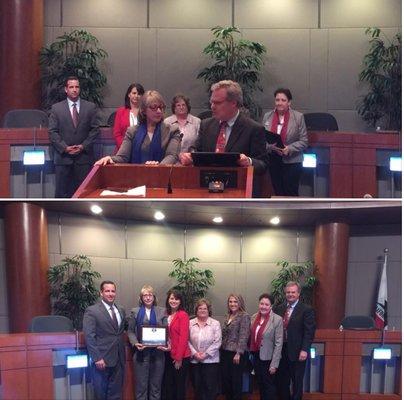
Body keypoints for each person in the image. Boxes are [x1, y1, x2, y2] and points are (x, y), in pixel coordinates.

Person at [179, 80, 268, 176]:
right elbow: (196, 150)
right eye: (212, 102)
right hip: (207, 184)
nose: (212, 107)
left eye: (217, 103)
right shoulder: (206, 125)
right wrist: (189, 156)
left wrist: (249, 161)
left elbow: (263, 165)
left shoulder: (253, 129)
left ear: (233, 103)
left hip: (238, 185)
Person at [95, 90, 181, 166]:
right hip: (136, 179)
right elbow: (123, 157)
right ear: (143, 110)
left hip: (162, 178)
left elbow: (172, 156)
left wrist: (156, 168)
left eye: (161, 107)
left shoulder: (172, 131)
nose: (159, 111)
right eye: (154, 107)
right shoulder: (132, 131)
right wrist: (110, 158)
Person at [48, 76, 100, 197]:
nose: (74, 89)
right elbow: (52, 131)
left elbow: (95, 130)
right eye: (71, 87)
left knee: (84, 194)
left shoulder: (90, 107)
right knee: (61, 194)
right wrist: (65, 148)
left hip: (84, 158)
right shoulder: (56, 108)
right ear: (66, 89)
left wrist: (83, 146)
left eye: (77, 87)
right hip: (63, 158)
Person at [83, 281, 126, 400]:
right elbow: (89, 336)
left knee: (116, 394)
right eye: (107, 291)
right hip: (102, 360)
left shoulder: (121, 310)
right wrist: (97, 358)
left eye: (113, 291)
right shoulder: (92, 311)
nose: (110, 294)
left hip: (118, 358)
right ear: (101, 293)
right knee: (100, 394)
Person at [273, 281, 316, 400]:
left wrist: (304, 350)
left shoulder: (306, 309)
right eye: (288, 292)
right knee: (282, 380)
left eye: (293, 292)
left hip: (297, 351)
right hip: (281, 351)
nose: (290, 294)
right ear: (285, 293)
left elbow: (309, 332)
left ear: (298, 293)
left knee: (297, 381)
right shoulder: (278, 308)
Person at [262, 88, 308, 196]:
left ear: (289, 102)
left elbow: (304, 141)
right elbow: (261, 139)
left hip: (292, 162)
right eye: (277, 100)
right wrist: (270, 147)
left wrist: (290, 148)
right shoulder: (267, 116)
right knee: (278, 192)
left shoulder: (298, 117)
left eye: (283, 100)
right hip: (274, 160)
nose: (279, 103)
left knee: (290, 192)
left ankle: (295, 213)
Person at [127, 285, 168, 400]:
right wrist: (135, 343)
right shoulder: (135, 311)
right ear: (141, 298)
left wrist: (166, 344)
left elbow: (166, 332)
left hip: (158, 355)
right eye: (145, 295)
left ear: (154, 297)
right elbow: (130, 331)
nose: (148, 297)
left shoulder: (162, 311)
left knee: (156, 388)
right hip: (141, 354)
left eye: (150, 295)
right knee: (141, 388)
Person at [249, 293, 283, 400]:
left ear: (271, 306)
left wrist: (274, 364)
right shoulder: (254, 317)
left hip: (269, 359)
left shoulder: (277, 320)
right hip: (256, 357)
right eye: (261, 303)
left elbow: (279, 343)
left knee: (269, 387)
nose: (263, 306)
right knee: (261, 385)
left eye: (266, 304)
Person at [189, 299, 222, 400]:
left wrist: (205, 354)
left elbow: (218, 341)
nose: (202, 310)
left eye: (205, 308)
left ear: (209, 310)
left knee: (210, 388)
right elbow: (186, 341)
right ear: (196, 310)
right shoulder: (189, 323)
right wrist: (195, 354)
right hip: (194, 361)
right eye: (200, 308)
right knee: (197, 387)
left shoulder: (215, 323)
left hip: (211, 361)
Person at [220, 293, 251, 400]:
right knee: (226, 380)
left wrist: (238, 353)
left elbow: (244, 335)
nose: (232, 304)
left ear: (240, 303)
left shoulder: (244, 316)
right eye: (230, 301)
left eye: (235, 301)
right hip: (225, 352)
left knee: (236, 381)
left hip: (237, 354)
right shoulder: (227, 315)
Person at [162, 289, 191, 400]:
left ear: (180, 301)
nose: (173, 301)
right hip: (168, 354)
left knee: (179, 386)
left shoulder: (183, 315)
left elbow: (184, 338)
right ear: (168, 299)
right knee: (169, 385)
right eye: (171, 298)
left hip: (181, 356)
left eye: (176, 299)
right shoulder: (166, 314)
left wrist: (178, 358)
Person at [113, 83, 145, 151]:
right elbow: (117, 134)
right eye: (134, 93)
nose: (136, 96)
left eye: (139, 94)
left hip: (142, 150)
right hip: (123, 150)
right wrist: (125, 148)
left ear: (142, 96)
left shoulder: (145, 112)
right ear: (129, 94)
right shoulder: (120, 111)